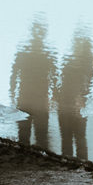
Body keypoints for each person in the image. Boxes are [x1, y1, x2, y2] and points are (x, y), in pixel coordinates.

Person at [9, 20, 58, 150]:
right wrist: (53, 96)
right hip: (40, 97)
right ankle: (39, 158)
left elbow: (14, 74)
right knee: (41, 134)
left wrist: (12, 93)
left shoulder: (23, 51)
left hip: (26, 96)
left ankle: (23, 158)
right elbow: (54, 76)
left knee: (24, 133)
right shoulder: (48, 52)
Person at [55, 31, 93, 158]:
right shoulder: (70, 60)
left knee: (77, 135)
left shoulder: (87, 60)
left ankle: (79, 163)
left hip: (78, 102)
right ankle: (73, 163)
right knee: (70, 135)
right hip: (67, 101)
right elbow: (60, 79)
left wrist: (81, 98)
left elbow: (88, 81)